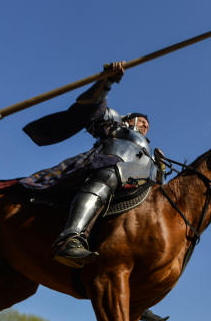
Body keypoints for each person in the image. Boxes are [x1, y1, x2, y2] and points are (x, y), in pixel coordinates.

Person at [20, 62, 158, 268]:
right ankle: (70, 238)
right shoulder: (116, 122)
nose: (145, 127)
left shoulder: (150, 152)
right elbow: (90, 106)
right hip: (112, 161)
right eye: (142, 122)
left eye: (148, 126)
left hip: (139, 177)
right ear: (129, 120)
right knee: (110, 174)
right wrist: (106, 82)